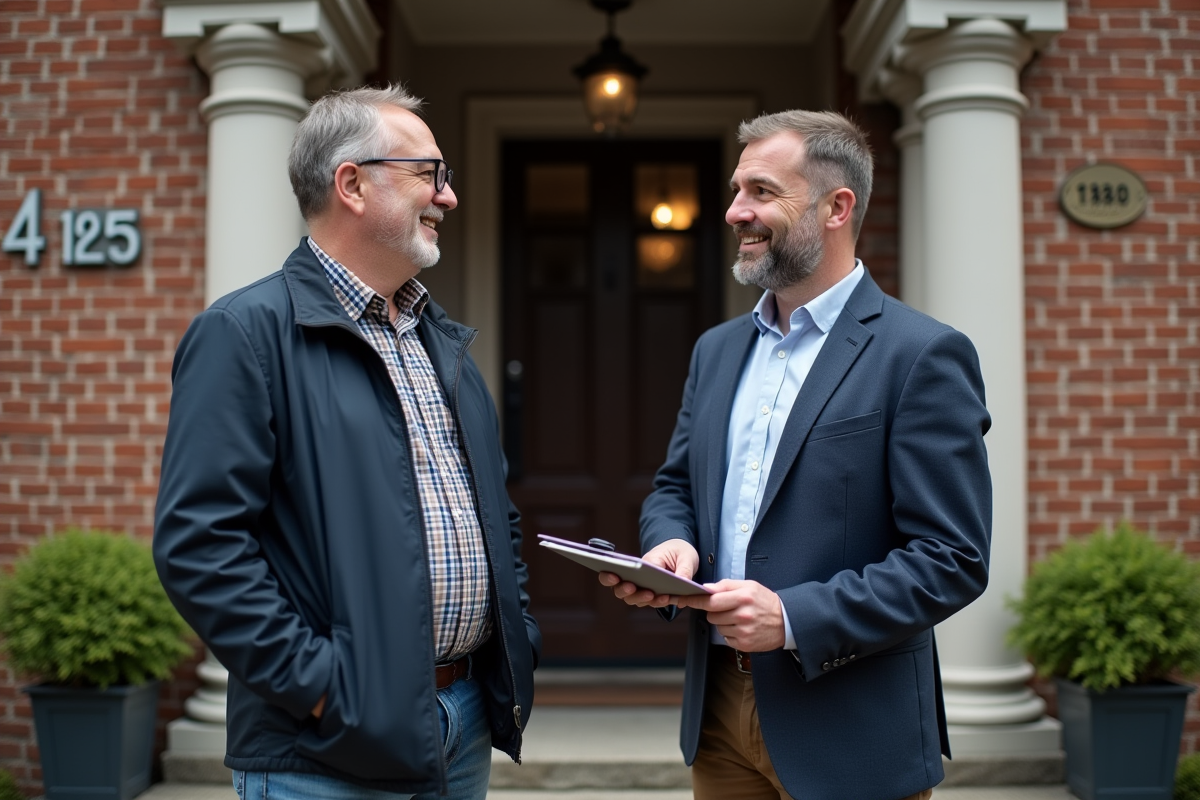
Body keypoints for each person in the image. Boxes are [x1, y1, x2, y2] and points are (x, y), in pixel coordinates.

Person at [154, 85, 540, 800]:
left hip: (464, 725)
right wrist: (327, 690)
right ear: (353, 183)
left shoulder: (442, 343)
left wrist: (516, 647)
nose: (447, 197)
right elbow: (199, 546)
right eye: (430, 173)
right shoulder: (245, 335)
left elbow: (497, 520)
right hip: (327, 748)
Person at [601, 109, 992, 800]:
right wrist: (673, 548)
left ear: (837, 206)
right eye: (735, 190)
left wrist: (792, 619)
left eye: (759, 191)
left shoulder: (922, 354)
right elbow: (674, 487)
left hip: (852, 728)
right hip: (719, 716)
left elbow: (951, 558)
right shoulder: (717, 350)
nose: (733, 212)